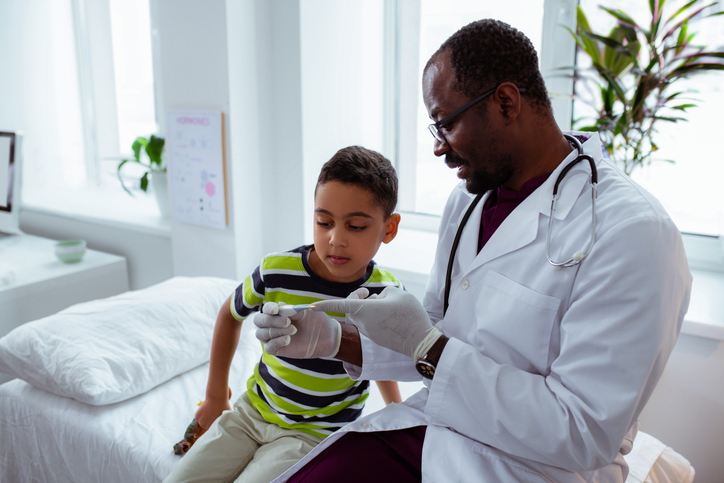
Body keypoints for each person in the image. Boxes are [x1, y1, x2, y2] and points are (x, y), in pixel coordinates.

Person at [257, 19, 692, 483]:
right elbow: (431, 338)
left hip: (530, 467)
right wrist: (335, 340)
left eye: (445, 123)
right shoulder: (468, 200)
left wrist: (431, 347)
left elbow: (581, 431)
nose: (439, 149)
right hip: (439, 430)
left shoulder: (632, 232)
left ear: (506, 102)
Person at [164, 145, 404, 483]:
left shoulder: (386, 295)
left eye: (356, 227)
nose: (335, 239)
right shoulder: (277, 271)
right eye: (324, 222)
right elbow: (230, 315)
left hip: (313, 435)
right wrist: (216, 396)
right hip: (251, 414)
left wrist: (397, 413)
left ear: (389, 229)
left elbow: (382, 357)